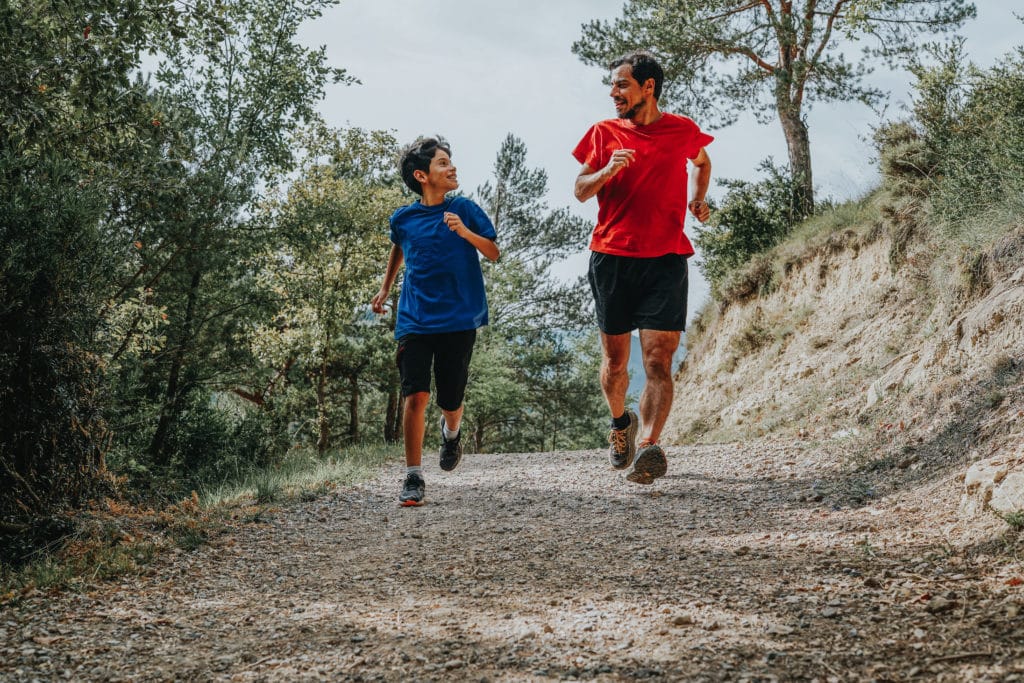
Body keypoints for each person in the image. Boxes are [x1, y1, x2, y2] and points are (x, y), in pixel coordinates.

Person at [572, 51, 713, 485]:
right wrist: (607, 173)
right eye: (613, 86)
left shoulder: (681, 130)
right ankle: (621, 426)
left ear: (647, 87)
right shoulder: (603, 132)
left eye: (621, 85)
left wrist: (698, 198)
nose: (613, 93)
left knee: (658, 360)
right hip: (612, 258)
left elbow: (702, 162)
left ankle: (650, 448)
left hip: (666, 258)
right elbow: (579, 190)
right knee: (616, 364)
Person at [371, 137, 499, 507]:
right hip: (415, 318)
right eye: (443, 163)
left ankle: (452, 432)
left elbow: (493, 252)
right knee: (416, 394)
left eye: (450, 161)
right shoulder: (404, 218)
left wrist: (464, 232)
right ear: (422, 175)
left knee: (451, 396)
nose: (452, 167)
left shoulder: (465, 209)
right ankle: (413, 477)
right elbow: (399, 245)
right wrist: (384, 289)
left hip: (459, 318)